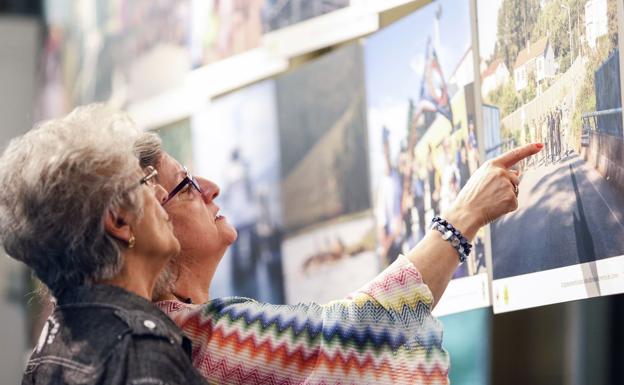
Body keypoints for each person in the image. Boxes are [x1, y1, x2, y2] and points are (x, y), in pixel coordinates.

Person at [134, 124, 542, 384]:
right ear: (150, 220)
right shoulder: (191, 338)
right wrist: (464, 215)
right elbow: (355, 330)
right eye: (185, 183)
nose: (210, 187)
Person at [0, 105, 208, 385]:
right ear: (119, 220)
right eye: (145, 181)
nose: (159, 193)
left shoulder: (47, 349)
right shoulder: (138, 350)